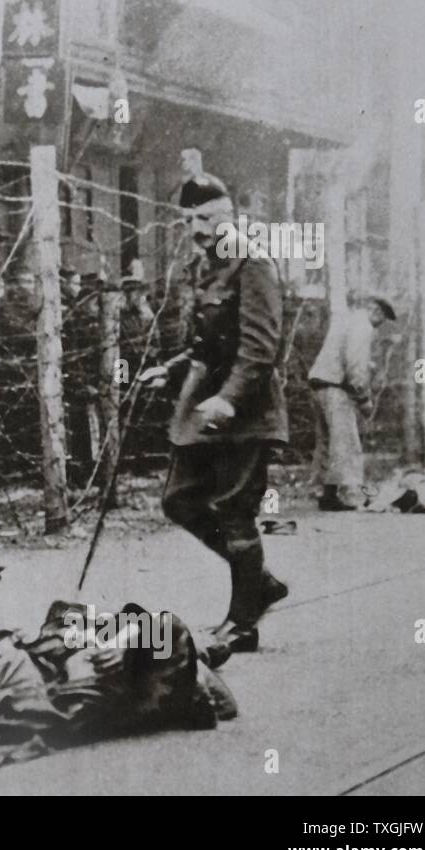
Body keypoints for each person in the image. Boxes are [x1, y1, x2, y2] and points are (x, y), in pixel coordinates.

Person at [140, 177, 289, 654]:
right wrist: (171, 368)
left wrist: (229, 398)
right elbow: (203, 343)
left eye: (206, 218)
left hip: (246, 410)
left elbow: (260, 347)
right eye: (189, 220)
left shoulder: (254, 262)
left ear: (232, 216)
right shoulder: (206, 267)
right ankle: (258, 582)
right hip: (204, 406)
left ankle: (242, 623)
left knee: (235, 510)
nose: (196, 228)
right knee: (180, 500)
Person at [308, 292, 396, 510]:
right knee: (345, 443)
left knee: (326, 443)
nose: (379, 326)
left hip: (319, 384)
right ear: (375, 311)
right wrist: (363, 399)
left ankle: (323, 492)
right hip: (336, 388)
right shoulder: (363, 325)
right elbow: (354, 365)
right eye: (381, 320)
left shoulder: (346, 319)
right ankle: (344, 495)